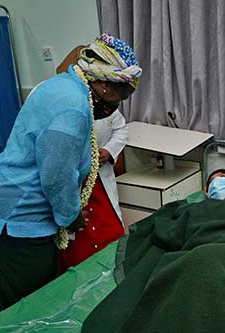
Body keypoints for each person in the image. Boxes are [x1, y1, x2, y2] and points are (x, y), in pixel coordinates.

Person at [0, 33, 142, 315]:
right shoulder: (73, 108)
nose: (121, 101)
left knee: (20, 306)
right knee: (30, 311)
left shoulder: (62, 85)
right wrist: (71, 216)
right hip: (10, 219)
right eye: (123, 93)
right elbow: (57, 177)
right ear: (106, 86)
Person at [55, 39, 134, 273]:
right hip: (74, 183)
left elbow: (121, 129)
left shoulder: (106, 107)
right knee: (78, 240)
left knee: (111, 233)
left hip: (99, 179)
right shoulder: (68, 104)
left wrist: (107, 151)